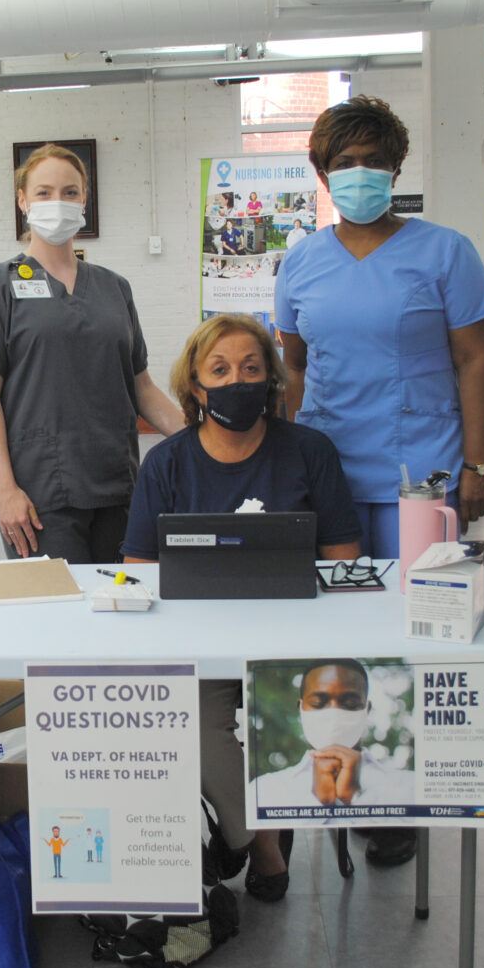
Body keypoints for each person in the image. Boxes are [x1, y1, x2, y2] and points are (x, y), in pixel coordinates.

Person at [275, 94, 484, 866]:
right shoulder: (301, 260)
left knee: (415, 635)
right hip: (330, 474)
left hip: (421, 477)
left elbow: (475, 361)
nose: (360, 174)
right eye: (345, 163)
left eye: (373, 160)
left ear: (396, 167)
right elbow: (294, 369)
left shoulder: (445, 253)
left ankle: (401, 800)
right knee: (338, 636)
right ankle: (343, 776)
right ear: (324, 173)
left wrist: (477, 465)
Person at [122, 313, 362, 901]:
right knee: (194, 731)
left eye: (252, 369)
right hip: (196, 643)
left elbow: (344, 561)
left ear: (272, 381)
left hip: (293, 640)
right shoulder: (167, 463)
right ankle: (259, 842)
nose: (237, 382)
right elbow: (140, 572)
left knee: (284, 726)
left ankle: (241, 841)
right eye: (221, 370)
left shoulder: (310, 452)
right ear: (195, 386)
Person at [0, 144, 184, 563]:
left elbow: (142, 387)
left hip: (116, 485)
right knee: (56, 616)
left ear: (84, 200)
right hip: (39, 495)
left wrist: (202, 437)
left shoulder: (114, 288)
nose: (57, 203)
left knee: (120, 605)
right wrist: (5, 490)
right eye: (43, 193)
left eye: (69, 192)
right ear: (23, 200)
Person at [249, 659, 414, 809]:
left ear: (367, 710)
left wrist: (357, 799)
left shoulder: (410, 786)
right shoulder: (264, 790)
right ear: (300, 709)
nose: (334, 713)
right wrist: (316, 803)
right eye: (318, 703)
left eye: (350, 703)